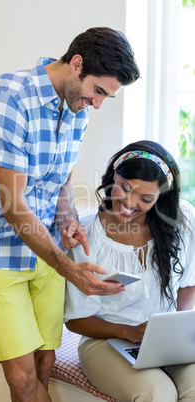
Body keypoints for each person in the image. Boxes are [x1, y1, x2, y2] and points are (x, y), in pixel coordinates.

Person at [0, 27, 140, 401]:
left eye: (108, 96)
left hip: (46, 250)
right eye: (99, 91)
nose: (99, 103)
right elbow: (15, 206)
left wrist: (68, 218)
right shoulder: (10, 98)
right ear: (76, 65)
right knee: (23, 379)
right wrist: (70, 269)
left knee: (45, 363)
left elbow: (60, 179)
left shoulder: (78, 108)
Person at [64, 140, 195, 401]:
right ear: (115, 175)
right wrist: (129, 332)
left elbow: (188, 284)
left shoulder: (183, 219)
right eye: (124, 188)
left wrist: (175, 329)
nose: (128, 203)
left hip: (164, 343)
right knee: (158, 392)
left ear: (161, 197)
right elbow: (75, 320)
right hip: (105, 343)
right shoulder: (86, 235)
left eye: (145, 199)